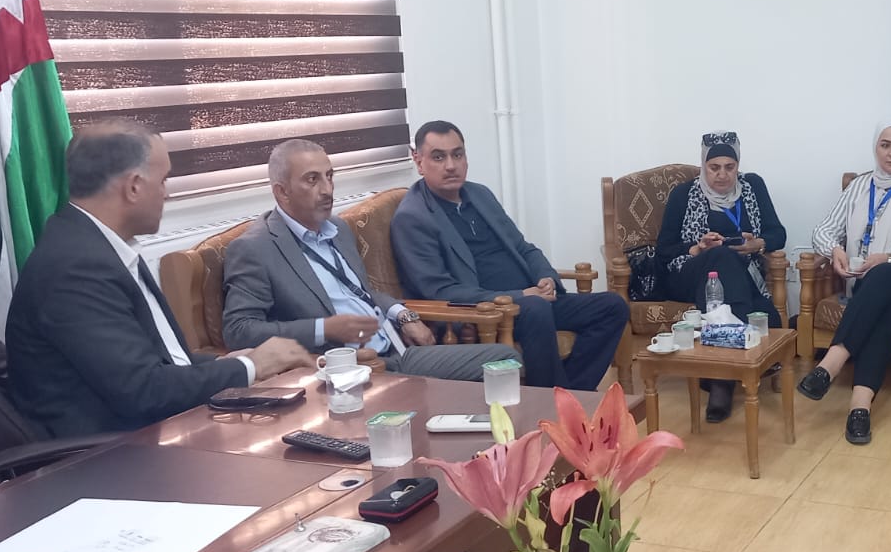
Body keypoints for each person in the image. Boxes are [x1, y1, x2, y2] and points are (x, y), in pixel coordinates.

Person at [7, 120, 312, 437]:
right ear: (134, 186)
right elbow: (143, 391)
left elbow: (162, 361)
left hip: (157, 432)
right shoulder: (75, 268)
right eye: (163, 180)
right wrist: (251, 366)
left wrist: (232, 362)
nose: (167, 193)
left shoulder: (99, 246)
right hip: (111, 453)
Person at [222, 139, 519, 380]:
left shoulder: (337, 229)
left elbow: (361, 291)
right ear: (282, 192)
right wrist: (324, 328)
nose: (327, 190)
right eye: (312, 180)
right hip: (348, 369)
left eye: (329, 176)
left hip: (397, 350)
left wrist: (403, 314)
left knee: (505, 360)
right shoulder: (255, 248)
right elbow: (239, 330)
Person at [391, 120, 628, 390]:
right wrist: (519, 296)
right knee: (535, 308)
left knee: (612, 306)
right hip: (485, 314)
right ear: (418, 161)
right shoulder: (413, 217)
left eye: (457, 155)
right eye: (438, 157)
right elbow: (439, 290)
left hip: (531, 301)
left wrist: (545, 277)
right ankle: (553, 401)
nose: (451, 165)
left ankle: (570, 394)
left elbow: (523, 247)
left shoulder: (480, 194)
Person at [797, 118, 891, 445]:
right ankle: (860, 408)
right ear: (875, 148)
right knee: (887, 307)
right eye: (885, 145)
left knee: (883, 274)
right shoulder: (858, 187)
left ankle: (831, 363)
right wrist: (835, 249)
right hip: (875, 288)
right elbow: (822, 230)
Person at [657, 132, 786, 423]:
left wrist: (757, 244)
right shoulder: (683, 193)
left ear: (738, 165)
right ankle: (736, 368)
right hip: (688, 272)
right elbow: (664, 250)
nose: (722, 174)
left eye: (730, 167)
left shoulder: (753, 187)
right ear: (703, 165)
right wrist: (697, 248)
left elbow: (778, 233)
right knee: (720, 256)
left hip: (739, 273)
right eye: (714, 167)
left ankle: (721, 378)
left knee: (729, 261)